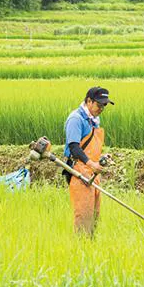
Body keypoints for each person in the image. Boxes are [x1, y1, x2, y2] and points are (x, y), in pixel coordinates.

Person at [57, 86, 115, 235]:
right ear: (89, 101)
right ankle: (81, 248)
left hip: (93, 173)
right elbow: (75, 148)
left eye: (104, 105)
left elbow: (89, 146)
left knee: (94, 216)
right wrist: (91, 164)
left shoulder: (94, 120)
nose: (101, 108)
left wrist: (101, 158)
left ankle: (91, 247)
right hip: (79, 172)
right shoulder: (76, 119)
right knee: (83, 216)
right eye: (99, 104)